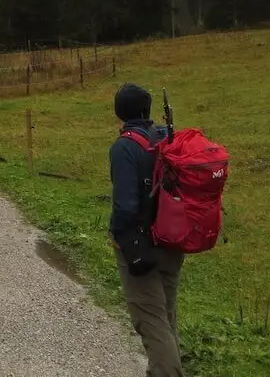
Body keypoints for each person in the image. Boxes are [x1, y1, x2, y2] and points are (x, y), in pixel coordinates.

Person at [109, 82, 185, 377]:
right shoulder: (166, 138)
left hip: (142, 246)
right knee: (165, 319)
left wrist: (117, 237)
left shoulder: (125, 147)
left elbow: (126, 206)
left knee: (151, 323)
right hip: (173, 240)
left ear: (120, 112)